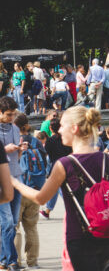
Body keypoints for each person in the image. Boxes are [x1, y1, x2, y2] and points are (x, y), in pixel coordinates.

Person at [11, 106, 109, 271]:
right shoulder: (106, 160)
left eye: (63, 125)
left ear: (74, 128)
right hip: (106, 236)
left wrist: (14, 182)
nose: (59, 129)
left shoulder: (64, 164)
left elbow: (40, 198)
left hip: (80, 238)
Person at [13, 114, 47, 270]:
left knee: (15, 227)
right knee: (31, 227)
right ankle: (33, 261)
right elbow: (45, 161)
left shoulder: (13, 140)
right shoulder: (35, 141)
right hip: (34, 189)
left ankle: (16, 260)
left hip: (18, 189)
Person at [0, 96, 24, 271]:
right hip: (2, 180)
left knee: (13, 222)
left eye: (13, 114)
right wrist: (4, 150)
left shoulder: (15, 128)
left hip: (16, 176)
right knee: (7, 222)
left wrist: (20, 149)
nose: (11, 118)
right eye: (9, 115)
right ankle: (12, 261)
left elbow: (17, 157)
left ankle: (2, 259)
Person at [40, 118, 72, 219]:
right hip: (66, 164)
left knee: (61, 189)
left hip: (55, 166)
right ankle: (48, 210)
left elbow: (46, 154)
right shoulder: (65, 138)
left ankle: (72, 207)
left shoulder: (50, 141)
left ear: (50, 128)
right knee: (56, 188)